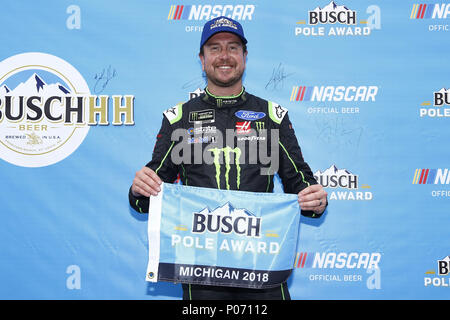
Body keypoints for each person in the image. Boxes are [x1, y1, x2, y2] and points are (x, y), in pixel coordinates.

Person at [129, 16, 327, 300]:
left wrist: (316, 199)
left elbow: (303, 188)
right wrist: (139, 189)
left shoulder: (273, 116)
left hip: (263, 269)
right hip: (202, 273)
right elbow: (144, 201)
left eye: (233, 47)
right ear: (202, 58)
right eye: (214, 48)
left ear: (245, 56)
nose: (224, 56)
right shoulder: (179, 118)